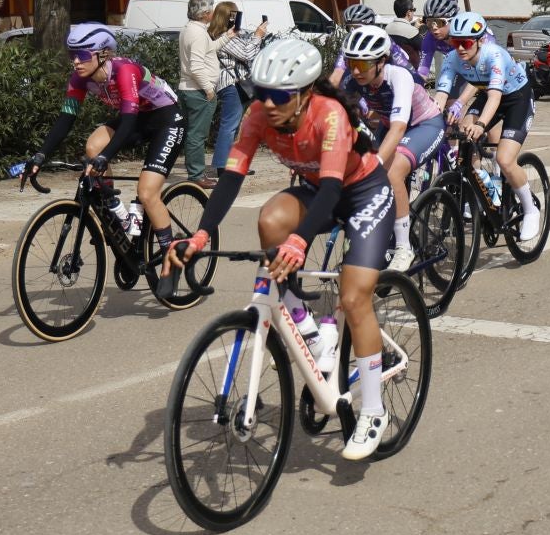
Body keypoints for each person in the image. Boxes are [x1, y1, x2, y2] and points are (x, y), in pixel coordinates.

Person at [164, 37, 397, 461]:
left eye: (279, 95)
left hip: (361, 192)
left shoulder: (330, 116)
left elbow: (331, 189)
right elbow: (231, 177)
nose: (267, 103)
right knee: (270, 218)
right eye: (260, 93)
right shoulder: (258, 115)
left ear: (306, 93)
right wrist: (199, 235)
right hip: (316, 190)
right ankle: (306, 323)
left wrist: (300, 239)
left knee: (353, 296)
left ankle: (374, 412)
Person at [25, 23, 184, 256]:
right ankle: (114, 211)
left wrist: (105, 157)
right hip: (138, 118)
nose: (75, 62)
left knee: (148, 193)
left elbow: (128, 120)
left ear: (102, 54)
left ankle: (171, 257)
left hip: (166, 119)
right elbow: (66, 119)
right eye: (72, 55)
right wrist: (40, 155)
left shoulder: (124, 70)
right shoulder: (80, 79)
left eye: (80, 55)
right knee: (93, 145)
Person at [338, 25, 441, 273]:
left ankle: (404, 247)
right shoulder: (353, 80)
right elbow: (335, 118)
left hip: (423, 124)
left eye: (363, 65)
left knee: (392, 172)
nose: (355, 71)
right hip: (389, 125)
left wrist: (373, 164)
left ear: (382, 61)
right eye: (351, 63)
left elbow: (398, 129)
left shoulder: (399, 76)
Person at [434, 12, 542, 239]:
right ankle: (486, 190)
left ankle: (530, 210)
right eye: (456, 42)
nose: (460, 48)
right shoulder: (453, 58)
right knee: (463, 134)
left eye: (465, 43)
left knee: (504, 159)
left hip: (516, 99)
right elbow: (441, 94)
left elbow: (495, 97)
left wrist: (482, 124)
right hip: (487, 95)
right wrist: (437, 116)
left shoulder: (495, 55)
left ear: (480, 40)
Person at [210, 1, 269, 181]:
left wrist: (255, 36)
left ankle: (233, 163)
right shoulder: (222, 36)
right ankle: (222, 166)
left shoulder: (230, 35)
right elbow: (247, 54)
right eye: (234, 15)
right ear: (227, 16)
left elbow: (247, 50)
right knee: (229, 126)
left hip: (238, 84)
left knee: (235, 126)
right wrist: (258, 36)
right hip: (232, 84)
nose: (237, 18)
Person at [177, 0, 230, 185]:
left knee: (192, 134)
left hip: (190, 89)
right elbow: (196, 66)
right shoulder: (198, 33)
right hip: (198, 91)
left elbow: (209, 49)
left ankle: (196, 174)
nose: (214, 13)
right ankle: (197, 176)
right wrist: (209, 89)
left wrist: (228, 36)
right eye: (212, 10)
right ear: (205, 13)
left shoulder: (191, 29)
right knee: (197, 135)